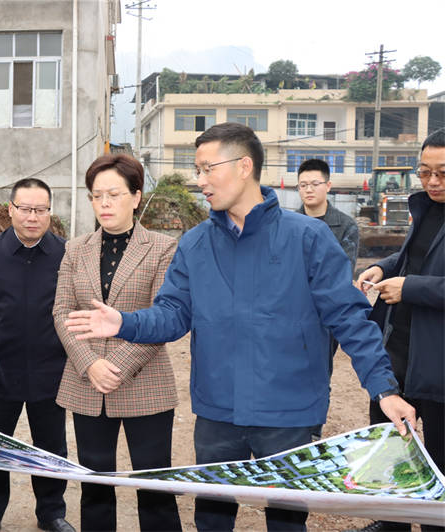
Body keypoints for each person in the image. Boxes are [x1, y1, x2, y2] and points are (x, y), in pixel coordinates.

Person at [63, 123, 416, 532]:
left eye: (207, 168)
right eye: (197, 170)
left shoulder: (308, 238)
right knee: (213, 518)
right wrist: (123, 321)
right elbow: (173, 314)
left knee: (286, 521)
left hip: (288, 413)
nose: (200, 180)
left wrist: (384, 389)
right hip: (218, 413)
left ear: (244, 166)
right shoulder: (195, 244)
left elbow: (350, 318)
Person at [53, 154, 181, 532]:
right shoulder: (76, 248)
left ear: (136, 197)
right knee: (95, 486)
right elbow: (62, 311)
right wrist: (90, 364)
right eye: (97, 196)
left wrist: (117, 366)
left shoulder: (162, 248)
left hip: (145, 382)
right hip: (88, 382)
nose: (104, 203)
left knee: (154, 485)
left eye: (114, 194)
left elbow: (163, 314)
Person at [352, 129, 445, 532]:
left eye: (442, 173)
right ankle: (390, 522)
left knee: (438, 459)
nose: (432, 181)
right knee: (390, 443)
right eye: (424, 172)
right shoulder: (425, 208)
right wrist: (384, 267)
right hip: (400, 348)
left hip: (438, 360)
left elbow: (419, 278)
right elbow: (413, 258)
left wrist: (411, 288)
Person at [0, 179, 74, 532]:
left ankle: (51, 512)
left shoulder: (66, 254)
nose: (33, 217)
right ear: (10, 209)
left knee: (51, 447)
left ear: (49, 212)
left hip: (51, 370)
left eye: (40, 210)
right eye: (26, 209)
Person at [296, 158, 361, 438]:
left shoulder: (345, 226)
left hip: (324, 316)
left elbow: (341, 272)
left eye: (315, 184)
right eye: (303, 185)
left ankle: (313, 432)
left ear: (328, 186)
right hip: (289, 313)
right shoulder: (286, 223)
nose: (309, 190)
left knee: (319, 374)